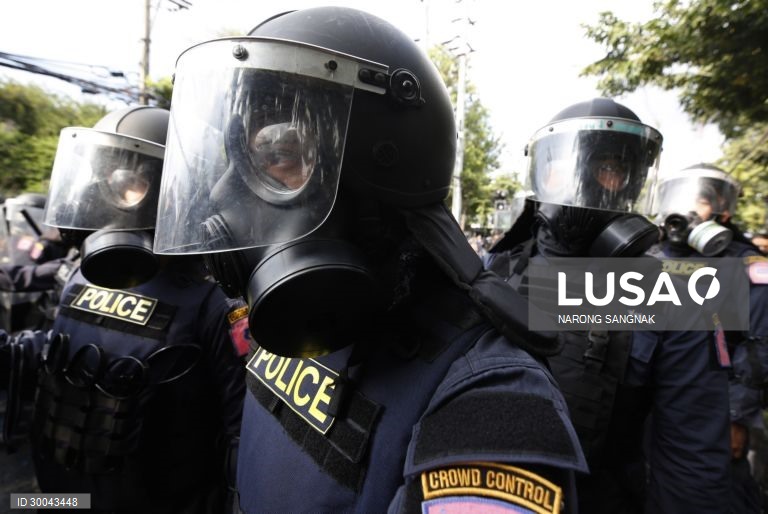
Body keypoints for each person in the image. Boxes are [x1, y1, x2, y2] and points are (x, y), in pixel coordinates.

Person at [152, 7, 587, 512]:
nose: (224, 195)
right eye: (242, 160)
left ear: (386, 170)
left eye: (280, 155)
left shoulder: (493, 404)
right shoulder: (289, 318)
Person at [1, 105, 249, 513]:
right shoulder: (80, 273)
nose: (109, 194)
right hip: (56, 499)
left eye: (130, 181)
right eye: (106, 177)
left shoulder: (215, 299)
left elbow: (241, 433)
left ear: (173, 191)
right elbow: (63, 353)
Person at [486, 97, 664, 513]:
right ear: (541, 177)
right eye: (565, 168)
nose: (582, 185)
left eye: (609, 168)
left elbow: (690, 455)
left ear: (633, 184)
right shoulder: (496, 268)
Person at [653, 164, 768, 513]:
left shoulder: (747, 266)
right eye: (679, 198)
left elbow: (758, 347)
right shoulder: (652, 257)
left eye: (700, 201)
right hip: (656, 408)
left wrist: (736, 417)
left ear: (723, 212)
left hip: (715, 413)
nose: (686, 209)